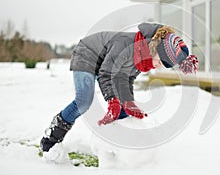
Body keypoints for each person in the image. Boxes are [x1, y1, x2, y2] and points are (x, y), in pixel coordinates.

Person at [40, 22, 198, 152]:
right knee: (84, 101)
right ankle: (54, 133)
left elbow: (124, 78)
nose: (157, 66)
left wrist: (128, 103)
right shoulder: (125, 45)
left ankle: (119, 149)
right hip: (87, 55)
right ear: (155, 50)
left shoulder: (143, 58)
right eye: (159, 61)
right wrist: (112, 100)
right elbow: (106, 74)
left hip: (104, 63)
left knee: (123, 109)